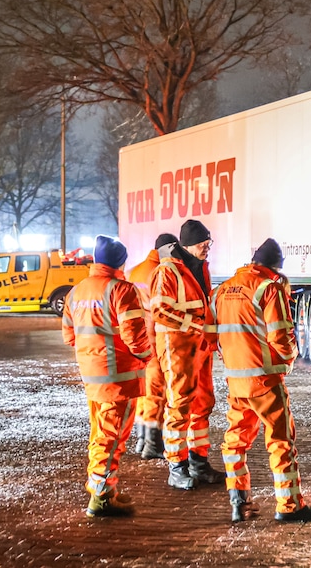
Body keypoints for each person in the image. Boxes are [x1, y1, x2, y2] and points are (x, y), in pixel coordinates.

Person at [212, 238, 311, 522]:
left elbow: (213, 335)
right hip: (264, 382)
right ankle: (289, 505)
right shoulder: (268, 288)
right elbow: (281, 337)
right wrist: (285, 364)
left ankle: (239, 504)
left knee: (235, 443)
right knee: (280, 442)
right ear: (276, 267)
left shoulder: (223, 289)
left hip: (236, 382)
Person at [62, 235, 152, 518]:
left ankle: (104, 488)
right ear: (120, 262)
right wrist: (147, 356)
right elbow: (135, 336)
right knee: (112, 436)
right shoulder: (122, 290)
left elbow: (69, 337)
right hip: (119, 377)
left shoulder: (75, 292)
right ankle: (101, 497)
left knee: (100, 433)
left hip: (93, 377)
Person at [150, 219, 221, 490]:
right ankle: (176, 467)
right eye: (204, 243)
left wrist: (211, 337)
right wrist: (197, 325)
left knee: (203, 403)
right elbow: (160, 311)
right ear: (189, 244)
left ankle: (198, 462)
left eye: (209, 243)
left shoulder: (200, 268)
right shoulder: (167, 271)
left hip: (199, 347)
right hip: (177, 347)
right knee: (179, 405)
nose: (207, 248)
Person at [126, 232, 178, 459]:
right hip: (154, 340)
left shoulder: (132, 272)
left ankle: (141, 440)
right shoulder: (161, 273)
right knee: (156, 391)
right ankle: (152, 444)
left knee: (142, 391)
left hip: (134, 339)